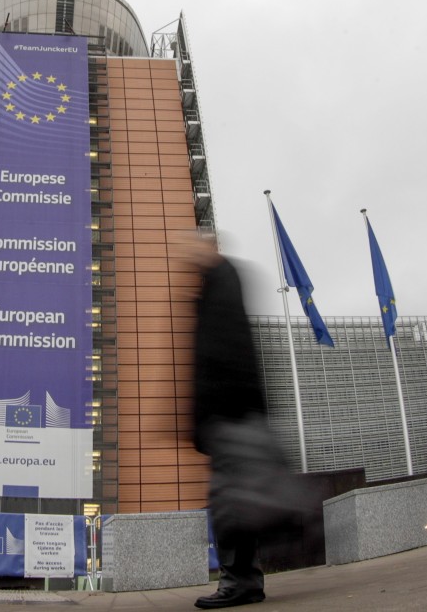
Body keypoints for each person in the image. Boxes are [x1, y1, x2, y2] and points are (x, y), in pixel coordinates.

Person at [187, 233, 268, 609]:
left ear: (211, 247)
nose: (186, 255)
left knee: (229, 503)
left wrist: (213, 419)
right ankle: (244, 579)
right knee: (234, 501)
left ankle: (239, 581)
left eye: (193, 247)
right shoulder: (216, 284)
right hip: (232, 414)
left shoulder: (222, 282)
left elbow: (223, 354)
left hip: (231, 415)